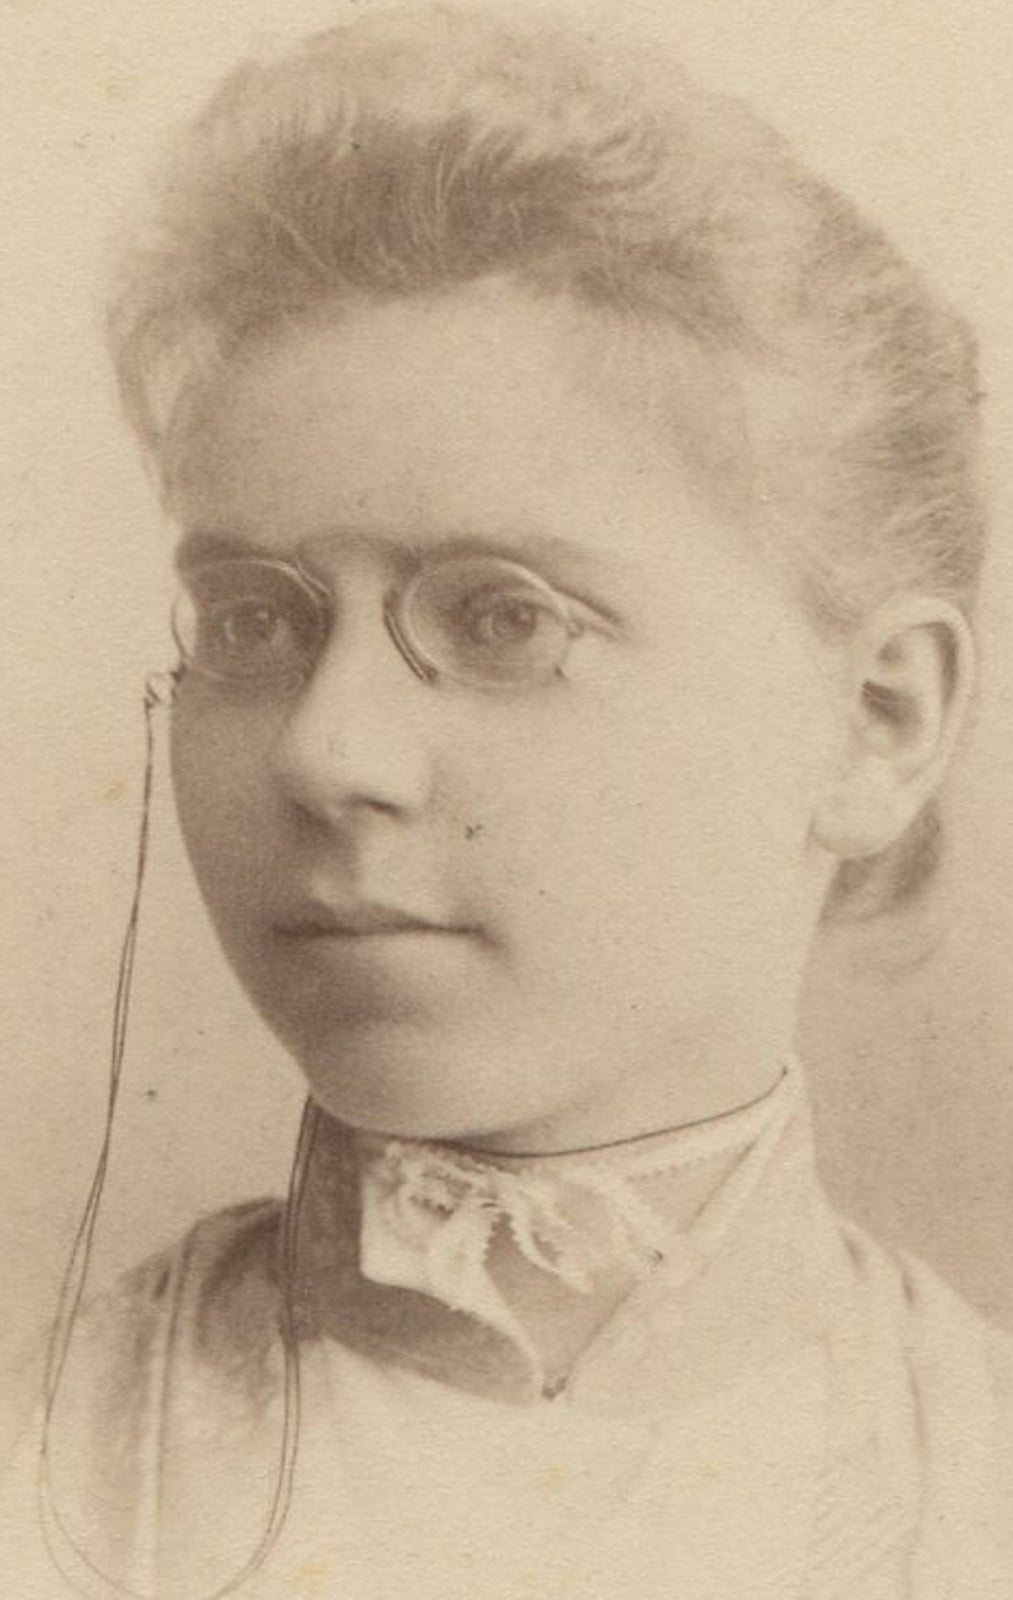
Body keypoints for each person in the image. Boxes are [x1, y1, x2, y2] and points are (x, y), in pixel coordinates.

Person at [2, 2, 1011, 1594]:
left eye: (501, 619)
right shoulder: (51, 1464)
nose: (327, 752)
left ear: (876, 722)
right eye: (255, 620)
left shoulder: (970, 1490)